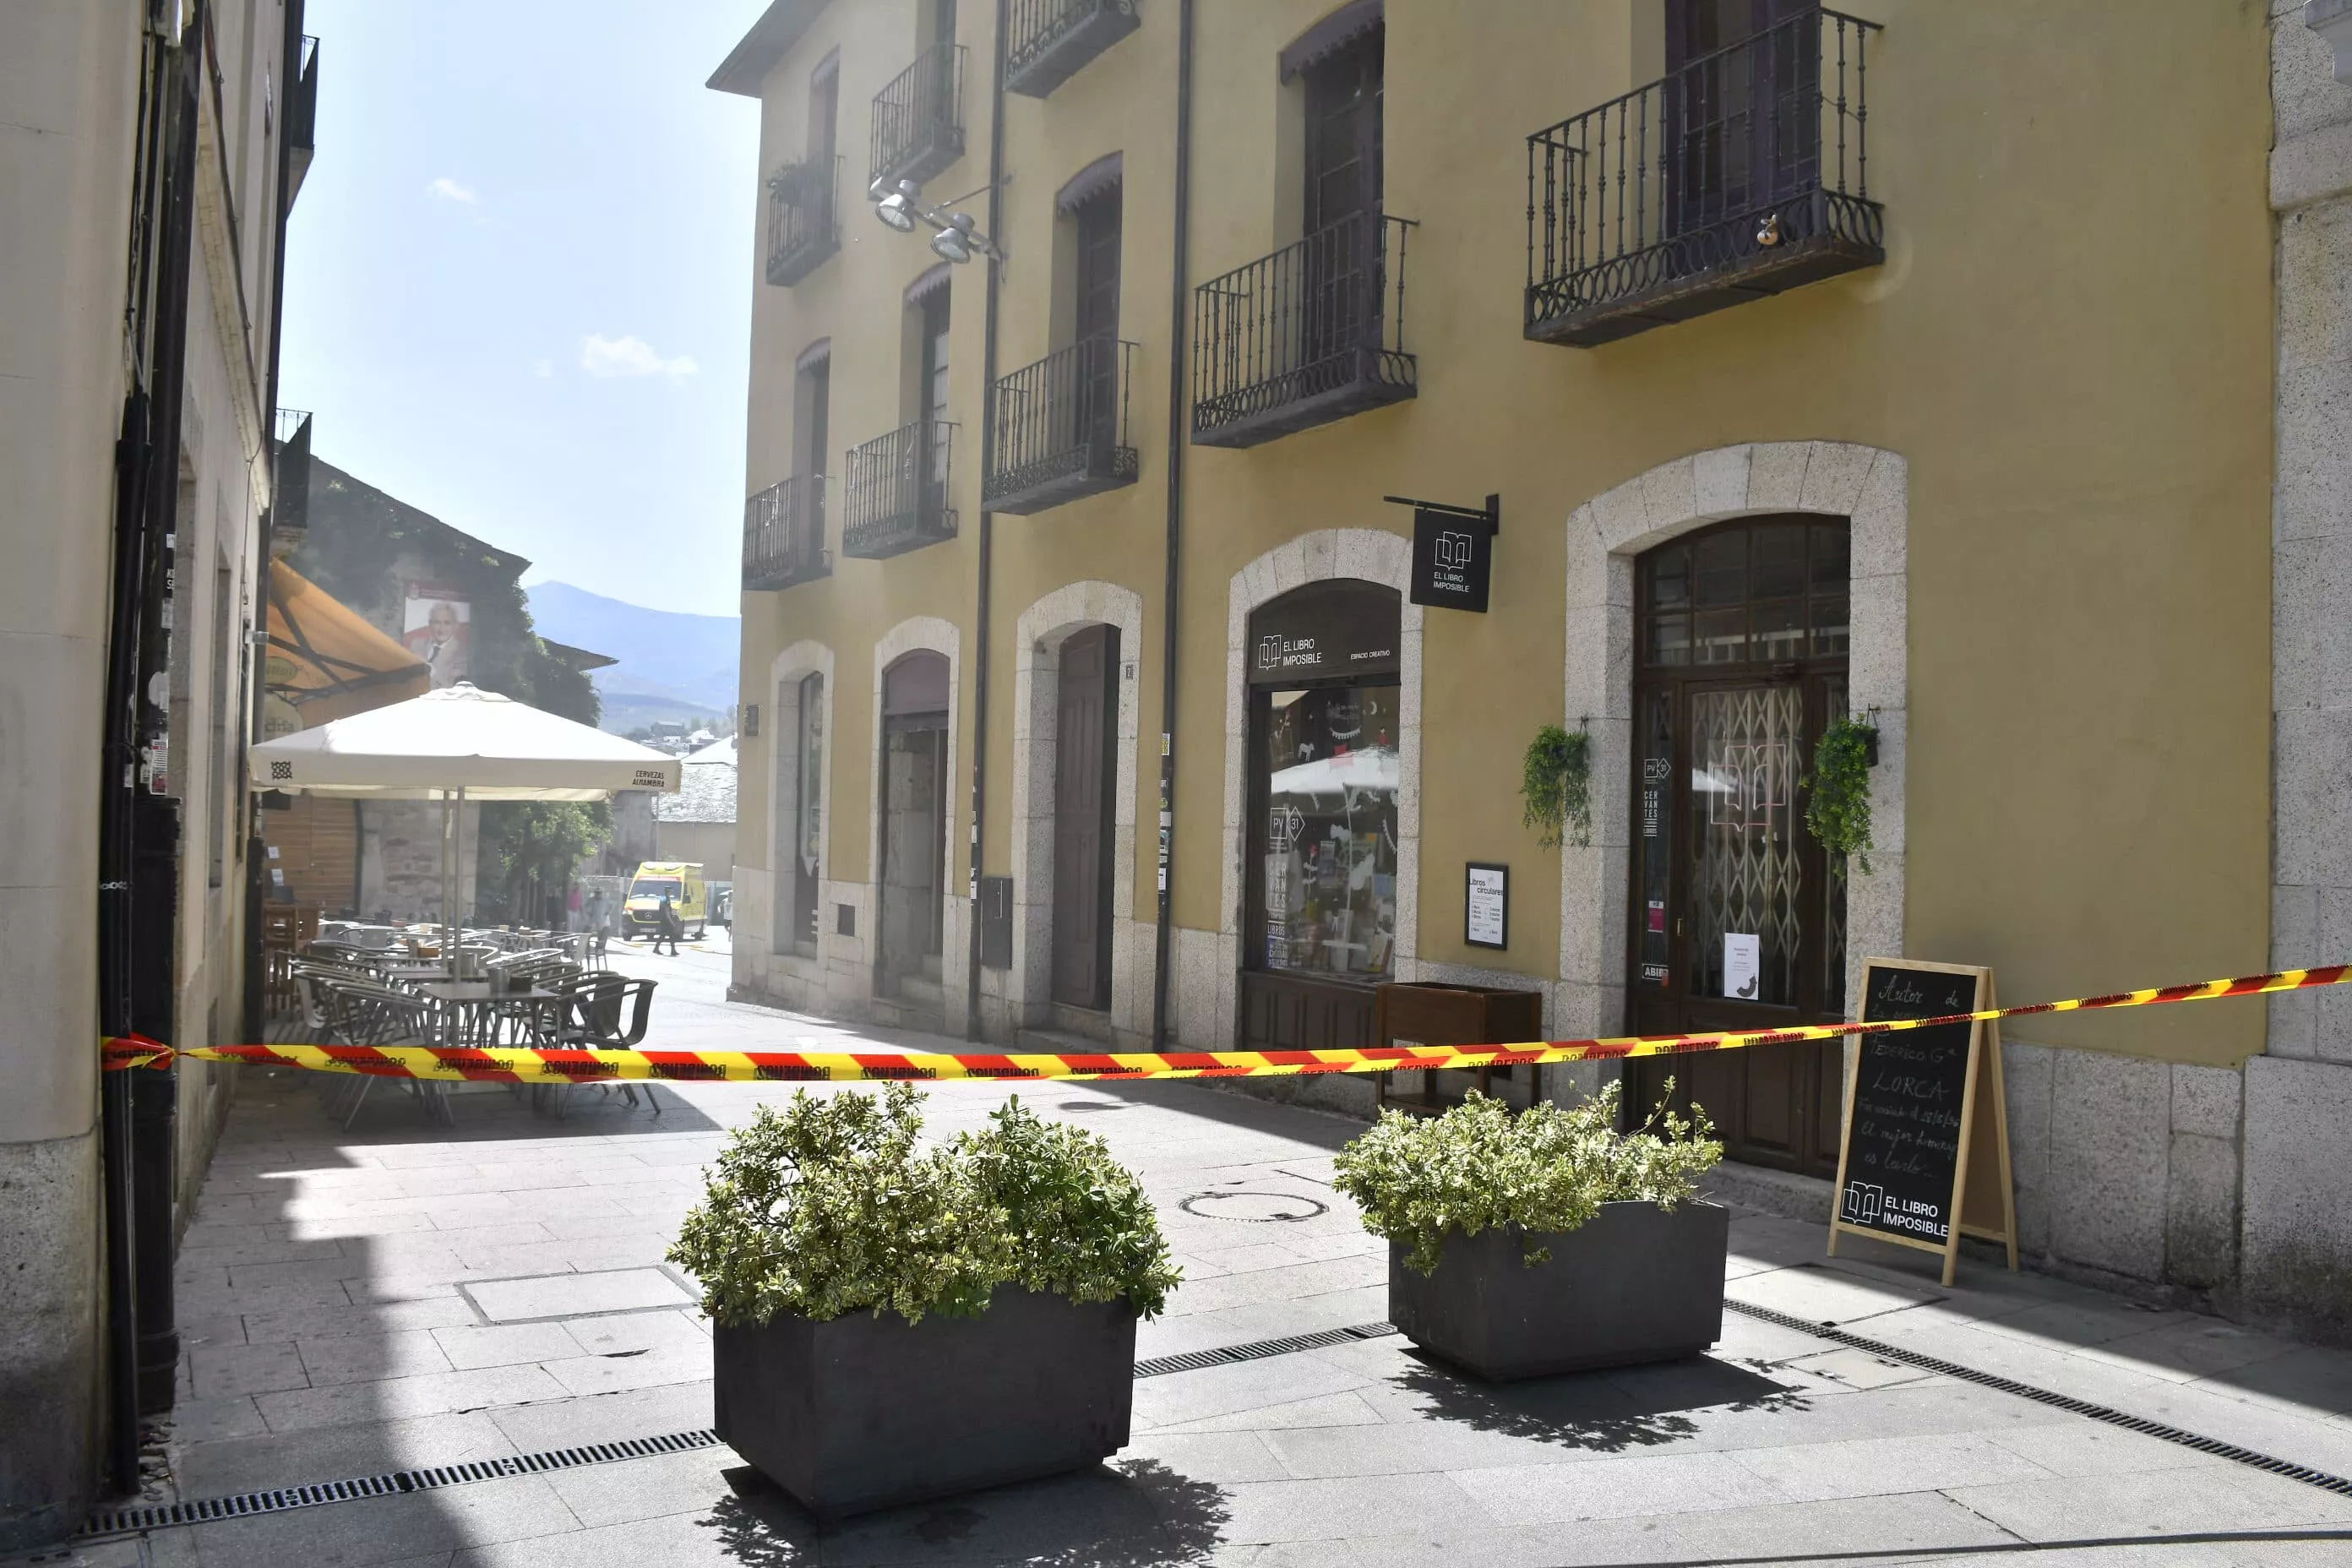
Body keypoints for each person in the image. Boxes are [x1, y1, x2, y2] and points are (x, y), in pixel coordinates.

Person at [654, 891, 683, 956]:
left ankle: (657, 948)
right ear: (668, 892)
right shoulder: (666, 900)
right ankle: (672, 951)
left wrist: (673, 910)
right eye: (670, 892)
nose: (671, 893)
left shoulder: (663, 899)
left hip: (663, 921)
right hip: (667, 922)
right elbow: (666, 912)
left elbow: (667, 909)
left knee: (663, 936)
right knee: (671, 935)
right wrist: (671, 921)